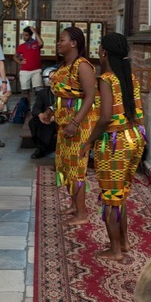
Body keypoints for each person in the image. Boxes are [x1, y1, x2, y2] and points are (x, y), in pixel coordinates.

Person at [80, 33, 145, 260]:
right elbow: (137, 113)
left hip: (115, 142)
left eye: (99, 48)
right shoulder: (130, 77)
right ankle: (124, 243)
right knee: (120, 196)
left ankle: (115, 249)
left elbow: (105, 117)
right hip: (134, 137)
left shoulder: (107, 79)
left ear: (105, 52)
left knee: (110, 197)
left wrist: (89, 141)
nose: (98, 52)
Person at [50, 26, 98, 226]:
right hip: (64, 122)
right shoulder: (63, 66)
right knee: (65, 165)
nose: (58, 43)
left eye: (62, 40)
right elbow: (62, 96)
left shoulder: (83, 66)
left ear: (74, 43)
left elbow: (90, 97)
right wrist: (50, 113)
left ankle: (82, 214)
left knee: (77, 168)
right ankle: (74, 205)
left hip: (79, 124)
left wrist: (75, 122)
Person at [29, 66, 58, 159]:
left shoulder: (64, 92)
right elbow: (36, 108)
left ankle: (51, 147)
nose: (52, 81)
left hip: (60, 119)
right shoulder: (43, 93)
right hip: (46, 119)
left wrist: (56, 117)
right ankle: (40, 149)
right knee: (33, 122)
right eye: (50, 79)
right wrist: (41, 115)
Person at [14, 26, 43, 100]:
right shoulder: (21, 46)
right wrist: (20, 62)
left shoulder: (36, 44)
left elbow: (41, 43)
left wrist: (35, 32)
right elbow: (15, 57)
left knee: (39, 91)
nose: (24, 37)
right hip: (25, 71)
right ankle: (27, 109)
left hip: (36, 70)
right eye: (23, 35)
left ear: (30, 35)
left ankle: (37, 109)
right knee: (25, 92)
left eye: (26, 35)